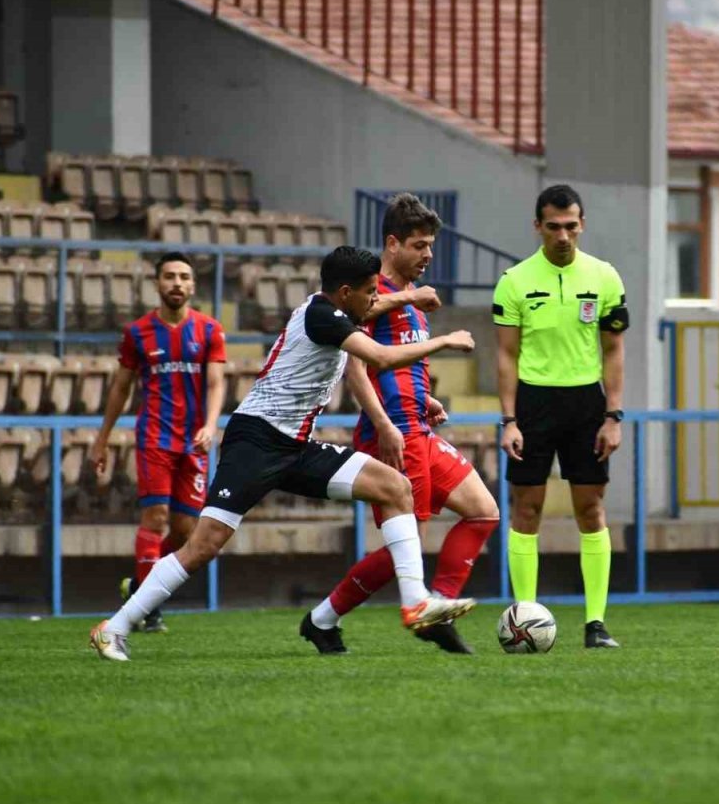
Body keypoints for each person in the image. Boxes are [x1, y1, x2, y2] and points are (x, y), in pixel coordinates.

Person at [89, 246, 478, 661]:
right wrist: (445, 341)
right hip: (255, 441)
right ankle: (114, 628)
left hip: (294, 445)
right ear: (345, 293)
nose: (374, 300)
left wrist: (410, 302)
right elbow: (381, 357)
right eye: (368, 293)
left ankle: (415, 601)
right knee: (202, 546)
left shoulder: (334, 309)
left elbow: (377, 310)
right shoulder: (323, 318)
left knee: (396, 487)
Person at [301, 194, 500, 656]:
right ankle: (328, 618)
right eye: (419, 245)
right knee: (406, 545)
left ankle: (436, 606)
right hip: (393, 434)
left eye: (431, 245)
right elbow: (354, 368)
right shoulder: (373, 296)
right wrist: (384, 424)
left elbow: (396, 365)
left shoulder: (408, 303)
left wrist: (424, 398)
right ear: (392, 244)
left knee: (483, 509)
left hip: (418, 428)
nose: (428, 255)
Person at [491, 184, 629, 649]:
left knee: (590, 509)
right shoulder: (514, 281)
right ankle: (523, 618)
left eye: (571, 225)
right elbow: (506, 355)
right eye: (554, 226)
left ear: (582, 224)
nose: (563, 235)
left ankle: (596, 624)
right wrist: (509, 420)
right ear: (538, 227)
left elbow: (614, 350)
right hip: (533, 405)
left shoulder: (606, 277)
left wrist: (613, 415)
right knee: (525, 510)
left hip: (587, 406)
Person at [89, 252, 227, 634]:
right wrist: (101, 439)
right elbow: (120, 387)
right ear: (157, 283)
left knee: (186, 530)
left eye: (184, 277)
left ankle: (138, 588)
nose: (177, 283)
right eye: (169, 277)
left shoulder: (209, 330)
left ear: (193, 286)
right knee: (156, 518)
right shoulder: (138, 333)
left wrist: (212, 424)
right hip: (155, 437)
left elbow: (216, 382)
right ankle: (148, 609)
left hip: (194, 441)